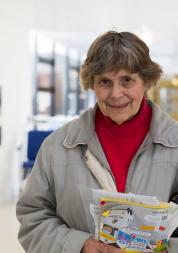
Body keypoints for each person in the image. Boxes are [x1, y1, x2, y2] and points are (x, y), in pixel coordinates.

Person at [16, 31, 178, 253]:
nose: (115, 93)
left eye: (127, 80)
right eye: (104, 82)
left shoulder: (175, 144)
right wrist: (78, 246)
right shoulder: (57, 147)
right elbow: (32, 217)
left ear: (146, 82)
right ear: (92, 84)